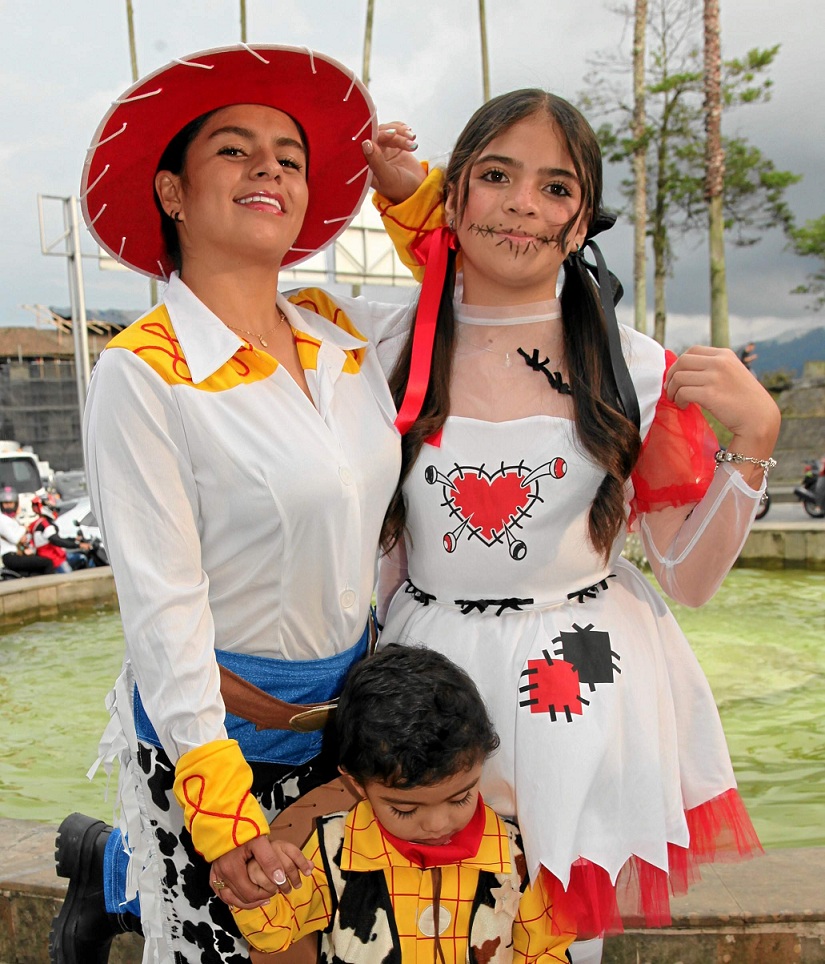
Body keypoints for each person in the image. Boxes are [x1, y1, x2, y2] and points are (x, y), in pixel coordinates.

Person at [369, 90, 781, 964]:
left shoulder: (632, 363)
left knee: (556, 930)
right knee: (420, 924)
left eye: (556, 188)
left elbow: (689, 577)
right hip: (428, 668)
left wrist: (754, 441)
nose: (523, 203)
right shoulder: (386, 345)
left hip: (581, 670)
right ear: (452, 198)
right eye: (495, 176)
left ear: (582, 218)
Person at [49, 44, 424, 964]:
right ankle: (124, 870)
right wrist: (223, 821)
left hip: (347, 732)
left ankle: (110, 871)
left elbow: (477, 297)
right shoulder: (144, 372)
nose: (271, 169)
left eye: (290, 157)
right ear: (172, 192)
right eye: (234, 149)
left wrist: (413, 197)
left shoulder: (339, 328)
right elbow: (163, 615)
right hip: (216, 739)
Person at [232, 644, 575, 962]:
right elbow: (273, 934)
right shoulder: (332, 851)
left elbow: (546, 950)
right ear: (357, 783)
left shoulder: (518, 857)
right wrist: (261, 886)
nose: (438, 824)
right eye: (405, 809)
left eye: (460, 797)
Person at [27, 495, 90, 573]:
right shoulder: (44, 523)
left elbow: (56, 539)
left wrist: (74, 539)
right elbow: (56, 540)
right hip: (53, 558)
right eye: (51, 506)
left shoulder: (36, 523)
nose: (54, 508)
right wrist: (78, 545)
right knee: (71, 580)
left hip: (53, 555)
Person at [1, 486, 54, 577]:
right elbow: (15, 538)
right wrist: (24, 528)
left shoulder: (11, 519)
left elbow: (23, 538)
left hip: (19, 554)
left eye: (11, 503)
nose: (9, 506)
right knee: (47, 563)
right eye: (6, 503)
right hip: (11, 557)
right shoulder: (2, 519)